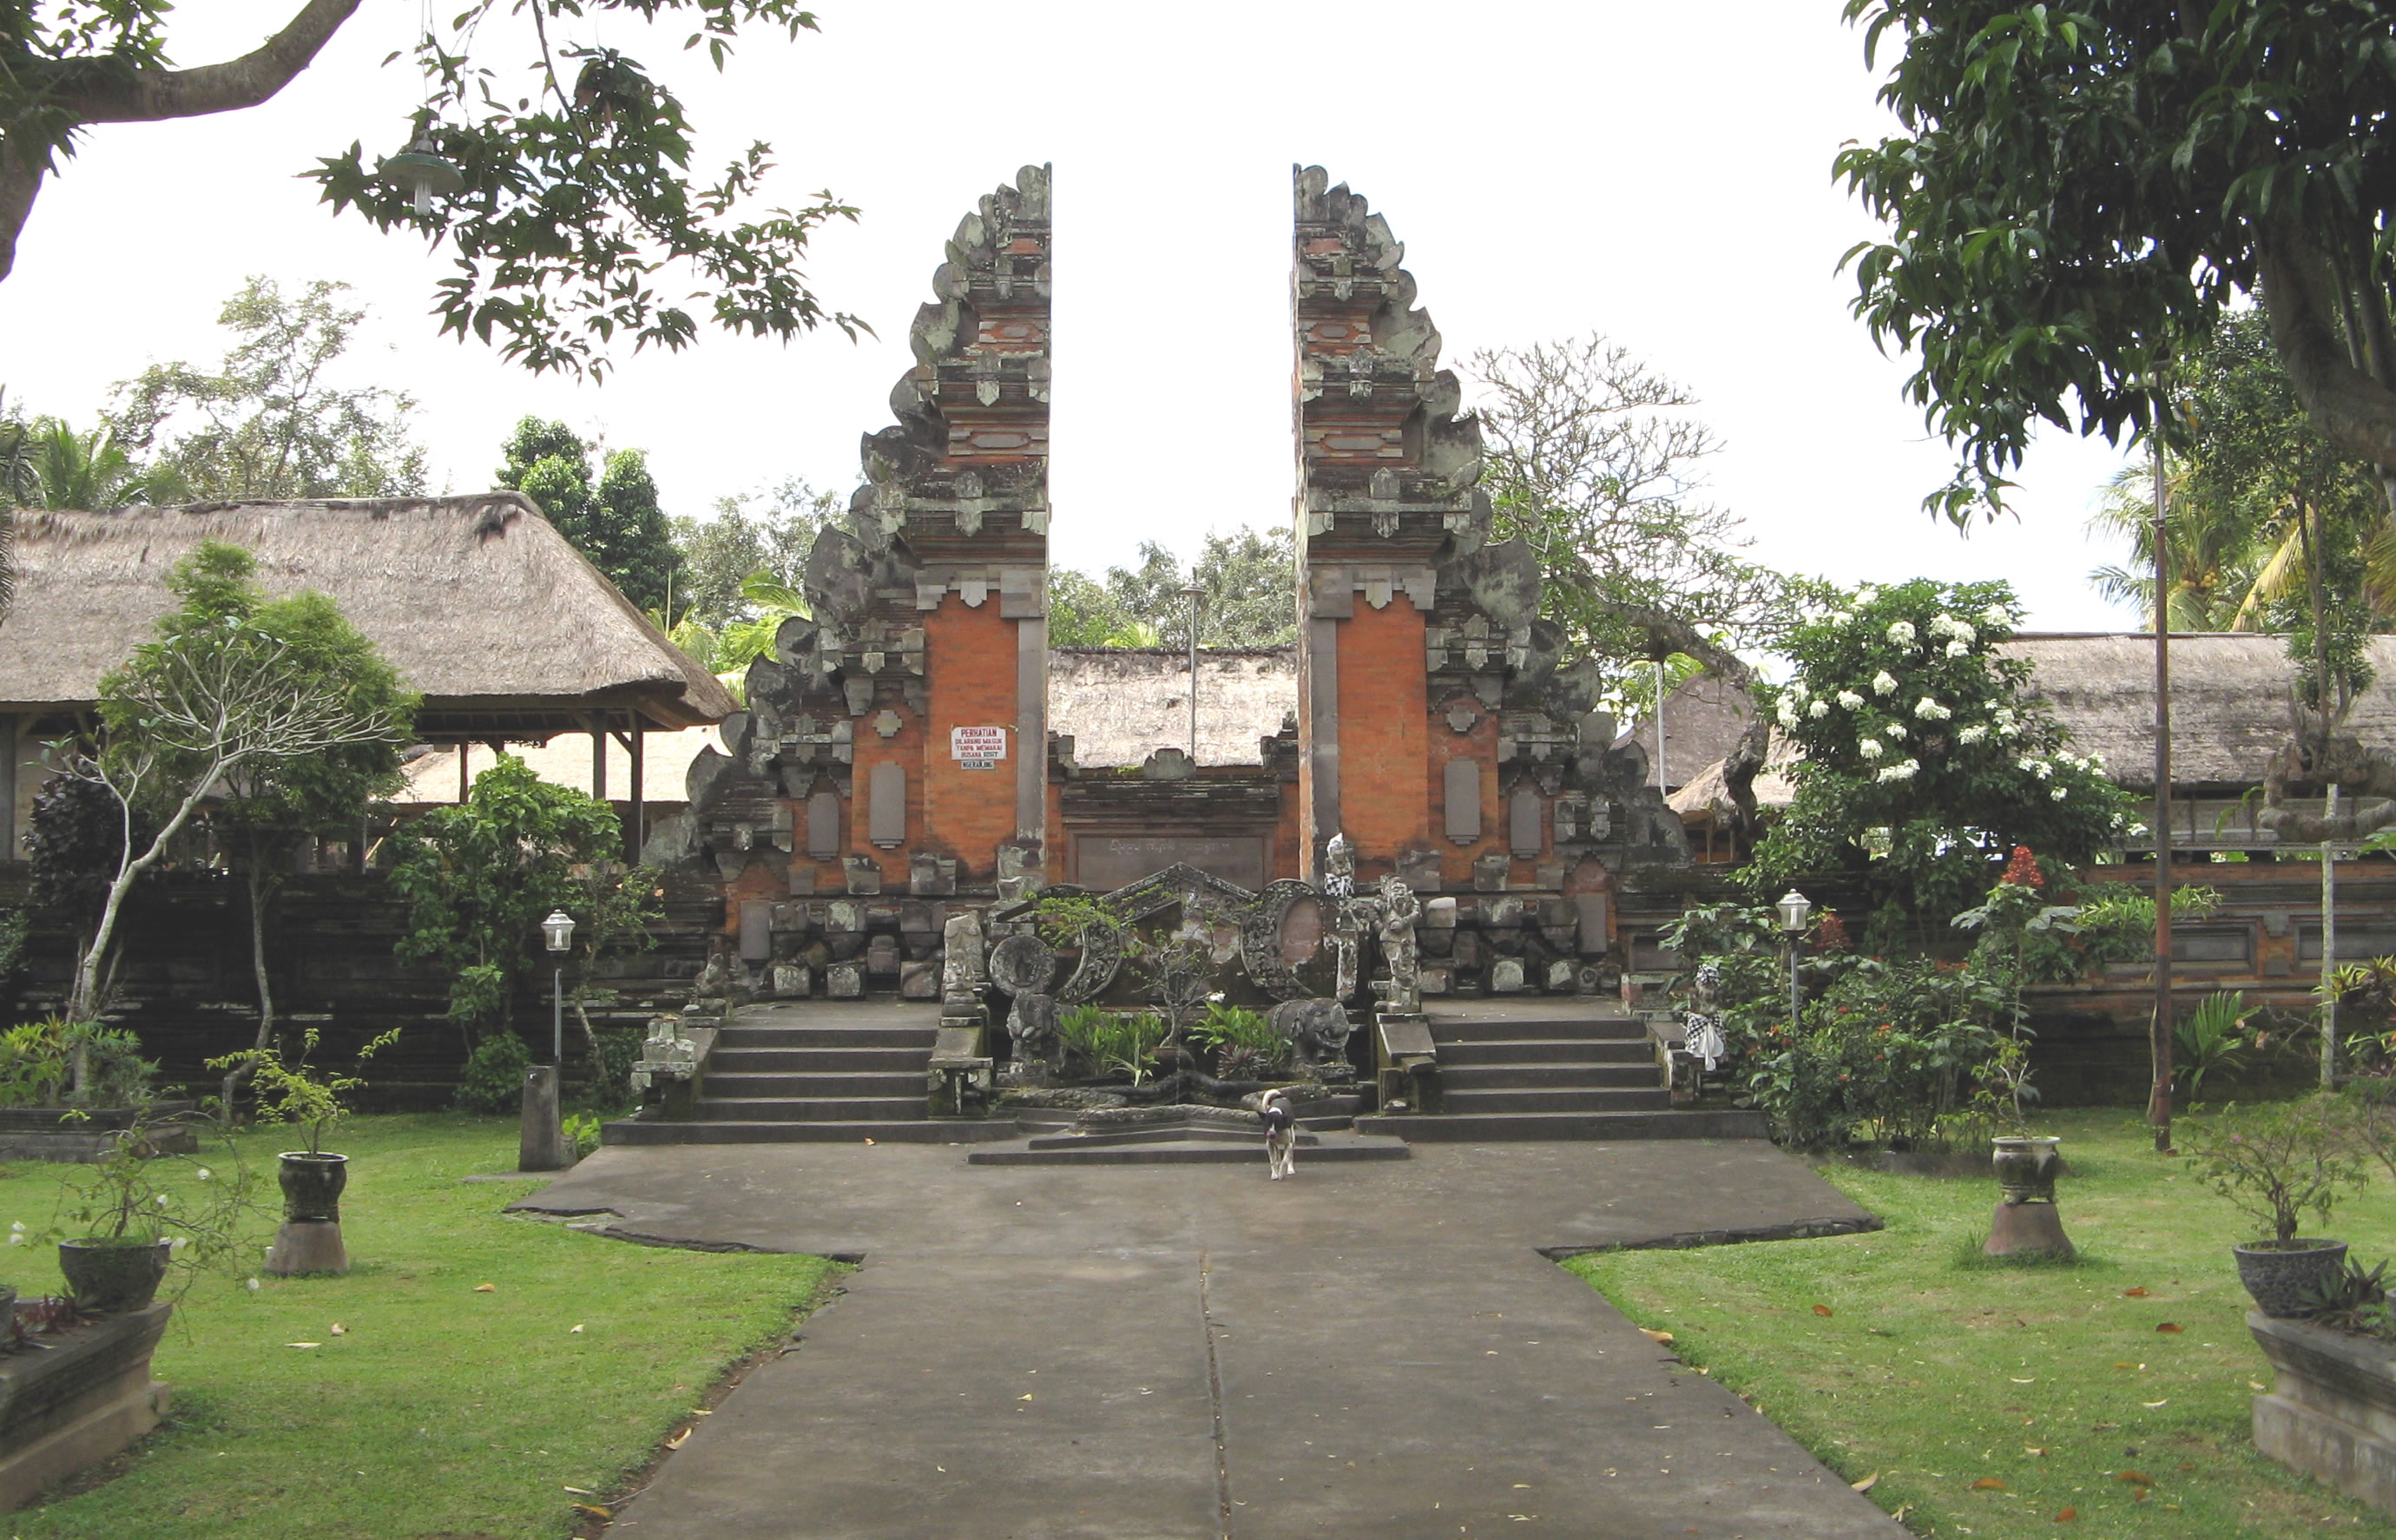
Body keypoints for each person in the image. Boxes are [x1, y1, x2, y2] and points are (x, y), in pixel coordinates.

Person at [1261, 1089, 1296, 1181]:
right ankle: (1274, 1169)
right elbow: (1269, 1143)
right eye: (1269, 1127)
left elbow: (1290, 1144)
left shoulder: (1286, 1120)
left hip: (1285, 1113)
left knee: (1290, 1142)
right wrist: (1274, 1169)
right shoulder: (1268, 1118)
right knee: (1272, 1144)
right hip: (1275, 1113)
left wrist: (1283, 1165)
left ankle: (1289, 1164)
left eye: (1275, 1128)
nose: (1272, 1131)